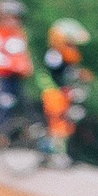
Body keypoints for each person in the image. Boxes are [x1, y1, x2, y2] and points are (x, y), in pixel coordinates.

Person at [40, 18, 92, 167]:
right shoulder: (54, 54)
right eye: (70, 43)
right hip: (53, 92)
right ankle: (55, 154)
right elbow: (58, 75)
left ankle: (51, 153)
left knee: (65, 122)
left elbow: (69, 72)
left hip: (62, 92)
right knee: (58, 123)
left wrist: (79, 75)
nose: (73, 47)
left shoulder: (66, 55)